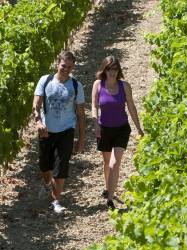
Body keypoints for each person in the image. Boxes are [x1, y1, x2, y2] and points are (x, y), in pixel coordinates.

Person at [32, 51, 86, 214]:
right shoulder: (45, 80)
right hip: (46, 131)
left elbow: (81, 115)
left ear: (73, 68)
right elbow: (36, 105)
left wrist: (81, 138)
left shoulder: (76, 86)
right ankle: (48, 185)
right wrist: (38, 122)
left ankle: (56, 201)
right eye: (64, 66)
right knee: (44, 165)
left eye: (70, 67)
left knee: (62, 166)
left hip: (66, 130)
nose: (66, 69)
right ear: (58, 64)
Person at [91, 56, 144, 210]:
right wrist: (95, 124)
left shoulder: (125, 86)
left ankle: (110, 199)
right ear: (104, 70)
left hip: (121, 129)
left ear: (118, 70)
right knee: (107, 163)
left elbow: (132, 108)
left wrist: (139, 128)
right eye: (109, 69)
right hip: (104, 129)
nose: (112, 72)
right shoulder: (98, 85)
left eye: (115, 69)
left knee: (115, 163)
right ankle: (108, 187)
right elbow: (94, 106)